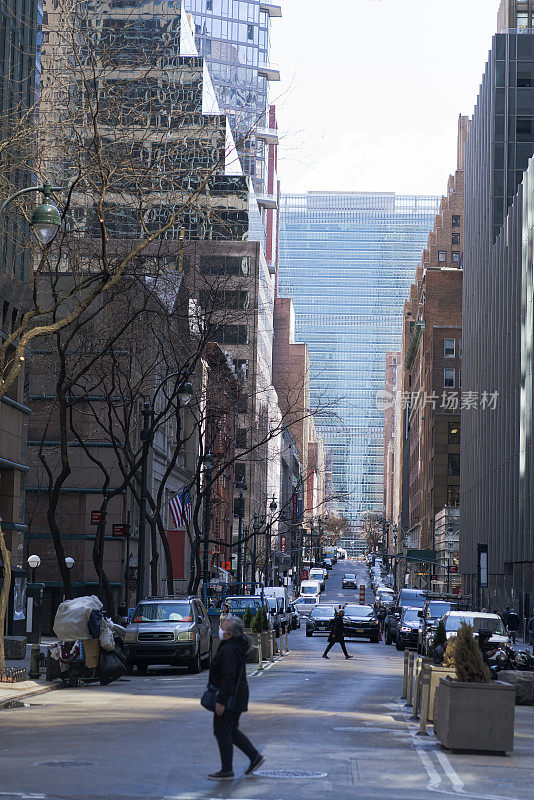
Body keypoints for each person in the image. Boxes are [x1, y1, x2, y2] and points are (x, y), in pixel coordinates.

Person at [207, 615, 264, 781]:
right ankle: (254, 757)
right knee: (229, 730)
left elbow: (228, 677)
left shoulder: (229, 649)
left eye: (222, 628)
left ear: (230, 634)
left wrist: (221, 701)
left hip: (231, 696)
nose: (220, 629)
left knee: (222, 730)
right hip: (237, 695)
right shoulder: (233, 646)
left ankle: (227, 770)